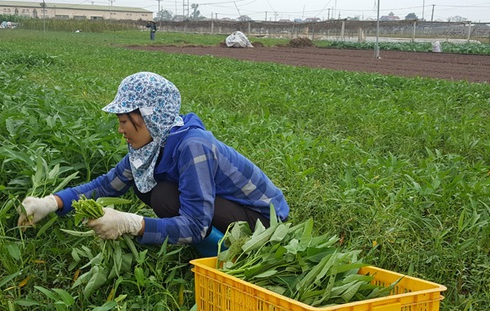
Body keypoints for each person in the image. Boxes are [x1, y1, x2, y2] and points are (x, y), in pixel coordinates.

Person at [18, 72, 289, 256]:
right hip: (231, 209)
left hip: (264, 221)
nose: (121, 130)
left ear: (150, 117)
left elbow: (196, 225)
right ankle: (205, 245)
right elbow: (106, 185)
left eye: (125, 121)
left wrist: (132, 224)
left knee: (164, 197)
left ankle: (224, 253)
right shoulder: (152, 145)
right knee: (147, 187)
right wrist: (50, 203)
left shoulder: (193, 146)